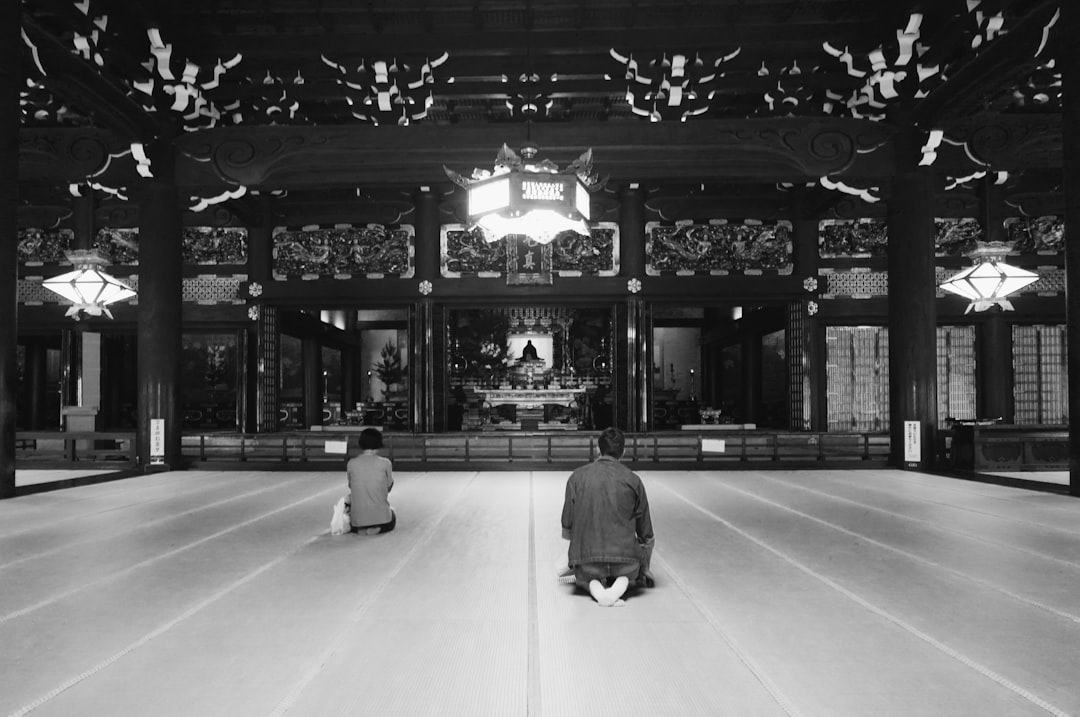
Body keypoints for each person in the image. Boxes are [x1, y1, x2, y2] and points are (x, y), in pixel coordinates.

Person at [560, 427, 655, 606]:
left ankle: (595, 586)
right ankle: (622, 583)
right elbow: (646, 534)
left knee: (580, 576)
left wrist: (577, 553)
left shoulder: (576, 477)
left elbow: (567, 525)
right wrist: (646, 568)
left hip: (588, 562)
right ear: (624, 452)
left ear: (598, 449)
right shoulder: (633, 480)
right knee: (633, 575)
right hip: (626, 561)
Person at [346, 428, 396, 535]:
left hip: (357, 520)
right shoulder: (385, 463)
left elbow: (351, 486)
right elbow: (389, 486)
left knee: (350, 512)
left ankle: (361, 528)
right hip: (382, 518)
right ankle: (377, 528)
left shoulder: (351, 463)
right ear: (379, 443)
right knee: (392, 516)